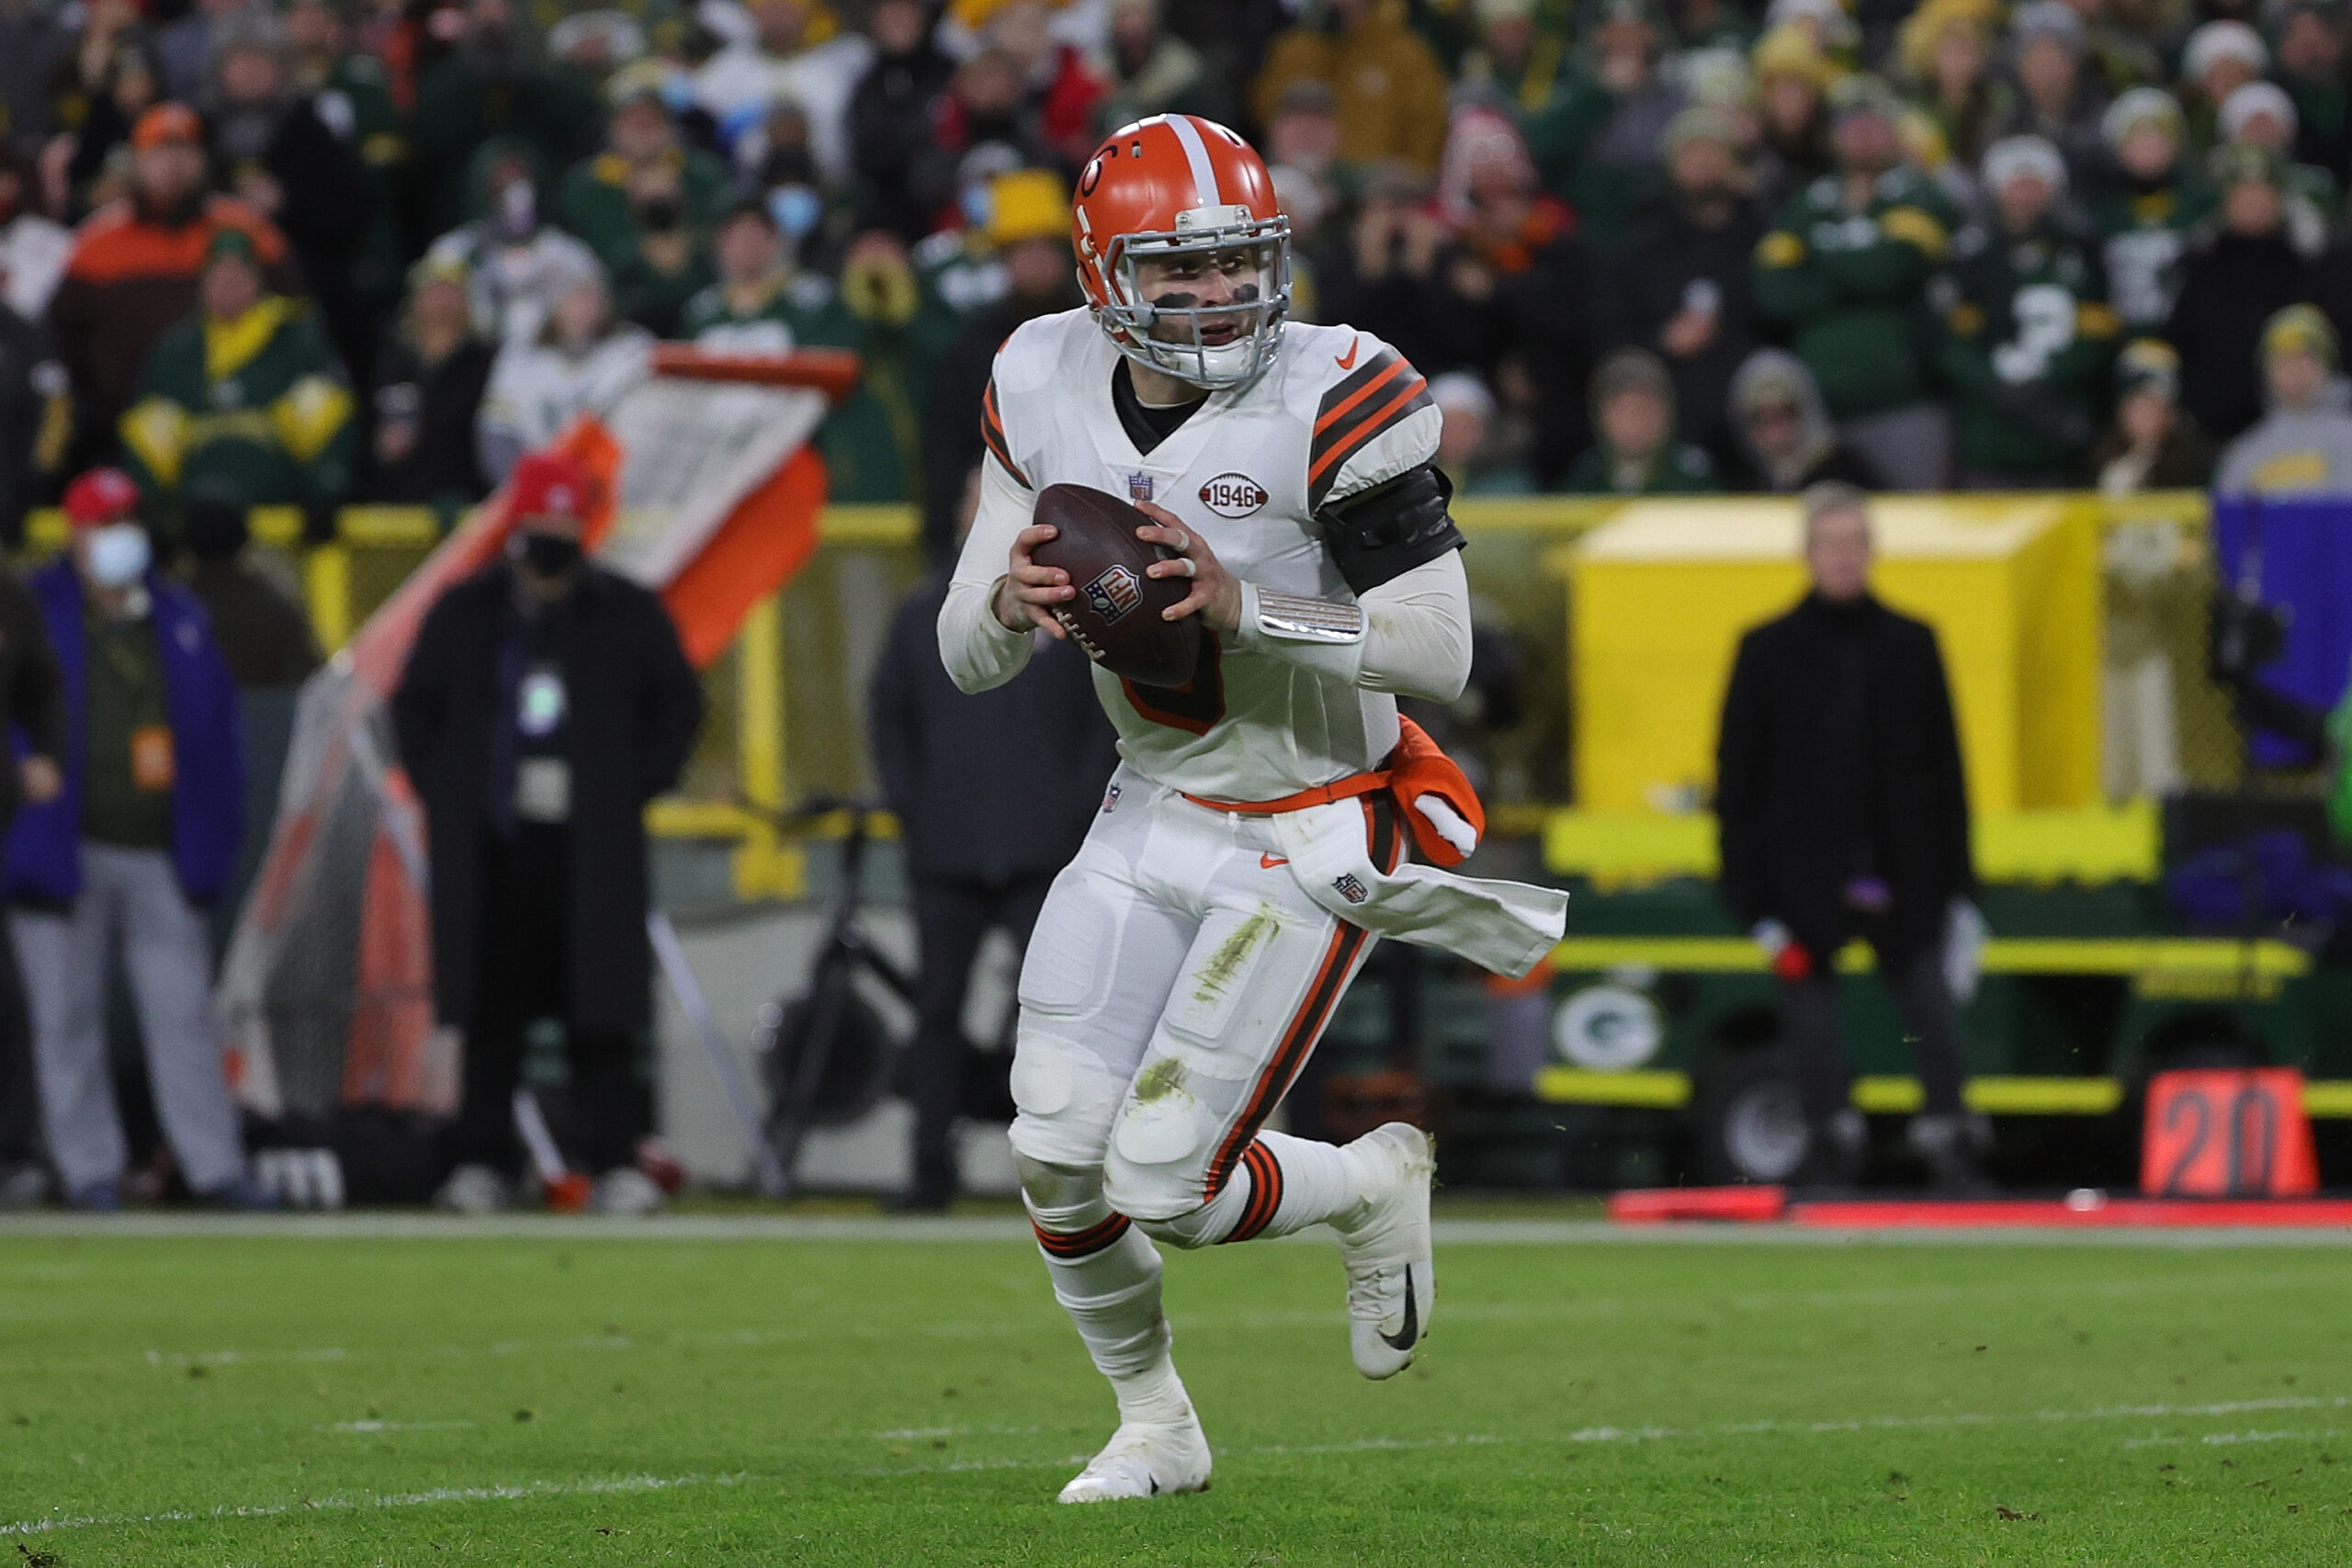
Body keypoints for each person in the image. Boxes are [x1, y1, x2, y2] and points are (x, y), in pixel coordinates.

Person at [940, 113, 1566, 1503]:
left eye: (1240, 262)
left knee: (1165, 1178)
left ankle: (1368, 1186)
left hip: (1306, 821)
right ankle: (1155, 1422)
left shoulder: (1339, 389)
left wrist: (1247, 601)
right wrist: (1007, 597)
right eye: (1184, 268)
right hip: (1150, 800)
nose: (1222, 294)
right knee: (1052, 1148)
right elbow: (965, 654)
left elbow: (1442, 647)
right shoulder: (1037, 374)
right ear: (1106, 274)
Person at [390, 450, 702, 1214]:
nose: (554, 535)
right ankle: (482, 1163)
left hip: (589, 844)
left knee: (602, 1018)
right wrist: (453, 795)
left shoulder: (626, 611)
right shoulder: (465, 612)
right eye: (542, 521)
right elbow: (414, 709)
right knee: (492, 1018)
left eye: (567, 520)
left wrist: (628, 785)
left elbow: (679, 710)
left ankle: (614, 1161)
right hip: (493, 845)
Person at [1714, 481, 1986, 1191]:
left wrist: (1961, 889)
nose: (1842, 557)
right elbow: (1736, 784)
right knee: (1810, 1024)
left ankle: (1951, 1140)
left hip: (1905, 873)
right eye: (1829, 543)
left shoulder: (1912, 643)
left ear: (1873, 550)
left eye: (1853, 542)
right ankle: (1827, 1144)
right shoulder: (1767, 650)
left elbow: (1949, 771)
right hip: (1804, 881)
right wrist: (1751, 900)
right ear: (1806, 553)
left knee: (1930, 1008)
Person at [870, 464, 1120, 1212]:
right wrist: (916, 809)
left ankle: (1069, 1171)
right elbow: (890, 718)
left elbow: (1106, 725)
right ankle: (929, 1166)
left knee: (1063, 1015)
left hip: (1047, 852)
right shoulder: (924, 613)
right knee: (938, 1012)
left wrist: (1075, 819)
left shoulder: (1079, 612)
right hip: (948, 850)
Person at [4, 468, 254, 1211]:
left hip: (158, 846)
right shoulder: (32, 605)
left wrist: (216, 830)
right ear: (75, 532)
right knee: (65, 1016)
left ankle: (213, 1167)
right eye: (107, 522)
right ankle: (88, 1171)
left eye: (129, 522)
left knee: (182, 1016)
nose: (122, 536)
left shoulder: (176, 612)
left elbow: (218, 728)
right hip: (57, 843)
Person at [48, 103, 296, 479]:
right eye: (159, 153)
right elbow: (62, 344)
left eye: (185, 151)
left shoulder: (247, 230)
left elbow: (295, 320)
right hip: (121, 437)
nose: (174, 165)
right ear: (136, 161)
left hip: (235, 433)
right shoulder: (95, 242)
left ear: (203, 160)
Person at [1752, 75, 1961, 490]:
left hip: (1903, 402)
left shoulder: (1921, 194)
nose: (1864, 137)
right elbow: (1773, 291)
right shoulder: (1806, 201)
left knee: (1914, 534)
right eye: (1852, 126)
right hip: (1819, 414)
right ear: (1833, 136)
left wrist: (1817, 261)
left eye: (1875, 125)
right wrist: (1860, 276)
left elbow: (1890, 272)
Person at [119, 228, 356, 525]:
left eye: (239, 276)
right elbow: (147, 428)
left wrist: (327, 487)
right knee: (152, 418)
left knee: (318, 398)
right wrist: (152, 510)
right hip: (196, 508)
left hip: (281, 501)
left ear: (258, 282)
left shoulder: (293, 335)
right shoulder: (176, 348)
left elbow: (327, 411)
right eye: (218, 277)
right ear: (202, 285)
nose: (228, 285)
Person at [1936, 135, 2120, 488]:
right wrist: (1994, 385)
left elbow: (2100, 336)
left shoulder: (2082, 250)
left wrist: (2046, 381)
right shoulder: (1971, 255)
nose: (2024, 196)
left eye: (2034, 185)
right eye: (2016, 185)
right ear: (1996, 189)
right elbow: (1950, 342)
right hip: (1988, 437)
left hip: (2058, 431)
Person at [1600, 105, 1763, 468]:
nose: (1703, 162)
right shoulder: (1642, 246)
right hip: (1672, 430)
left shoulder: (1764, 236)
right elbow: (1613, 333)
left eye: (1713, 150)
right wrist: (1662, 342)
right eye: (1691, 151)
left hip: (1753, 425)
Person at [2166, 146, 2322, 444]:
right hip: (2207, 430)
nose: (2253, 203)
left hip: (2291, 431)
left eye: (2262, 192)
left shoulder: (2305, 265)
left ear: (2279, 199)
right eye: (2243, 193)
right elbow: (2177, 340)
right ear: (2225, 200)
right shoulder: (2197, 265)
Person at [475, 261, 654, 483]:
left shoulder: (634, 351)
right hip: (542, 495)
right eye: (572, 295)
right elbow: (497, 437)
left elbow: (655, 433)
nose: (584, 306)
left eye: (591, 294)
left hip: (621, 492)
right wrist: (529, 490)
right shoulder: (519, 360)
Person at [0, 553, 60, 1207]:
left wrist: (43, 751)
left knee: (7, 995)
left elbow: (41, 683)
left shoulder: (10, 599)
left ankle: (13, 1153)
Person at [1249, 0, 1451, 175]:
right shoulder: (1295, 48)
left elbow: (1425, 132)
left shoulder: (1406, 56)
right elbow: (1264, 110)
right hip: (1296, 187)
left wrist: (1402, 186)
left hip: (1377, 193)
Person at [365, 254, 496, 514]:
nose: (442, 301)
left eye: (452, 291)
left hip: (467, 508)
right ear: (414, 299)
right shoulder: (393, 361)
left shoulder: (486, 363)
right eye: (434, 290)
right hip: (396, 509)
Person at [2215, 306, 2352, 498]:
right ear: (2267, 372)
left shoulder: (2347, 438)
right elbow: (2229, 520)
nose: (2295, 368)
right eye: (2284, 359)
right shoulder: (2244, 452)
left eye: (2305, 356)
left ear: (2327, 364)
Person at [1563, 347, 1720, 493]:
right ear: (1600, 416)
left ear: (1667, 412)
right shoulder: (1584, 478)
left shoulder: (1694, 478)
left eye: (1646, 407)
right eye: (1622, 410)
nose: (1635, 419)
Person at [1726, 347, 1884, 491]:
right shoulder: (1746, 481)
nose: (1775, 435)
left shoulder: (1843, 472)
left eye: (1783, 417)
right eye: (1762, 421)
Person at [2092, 338, 2214, 494]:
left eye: (2159, 404)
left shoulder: (2198, 463)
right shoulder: (2100, 457)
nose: (2149, 414)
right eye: (2140, 403)